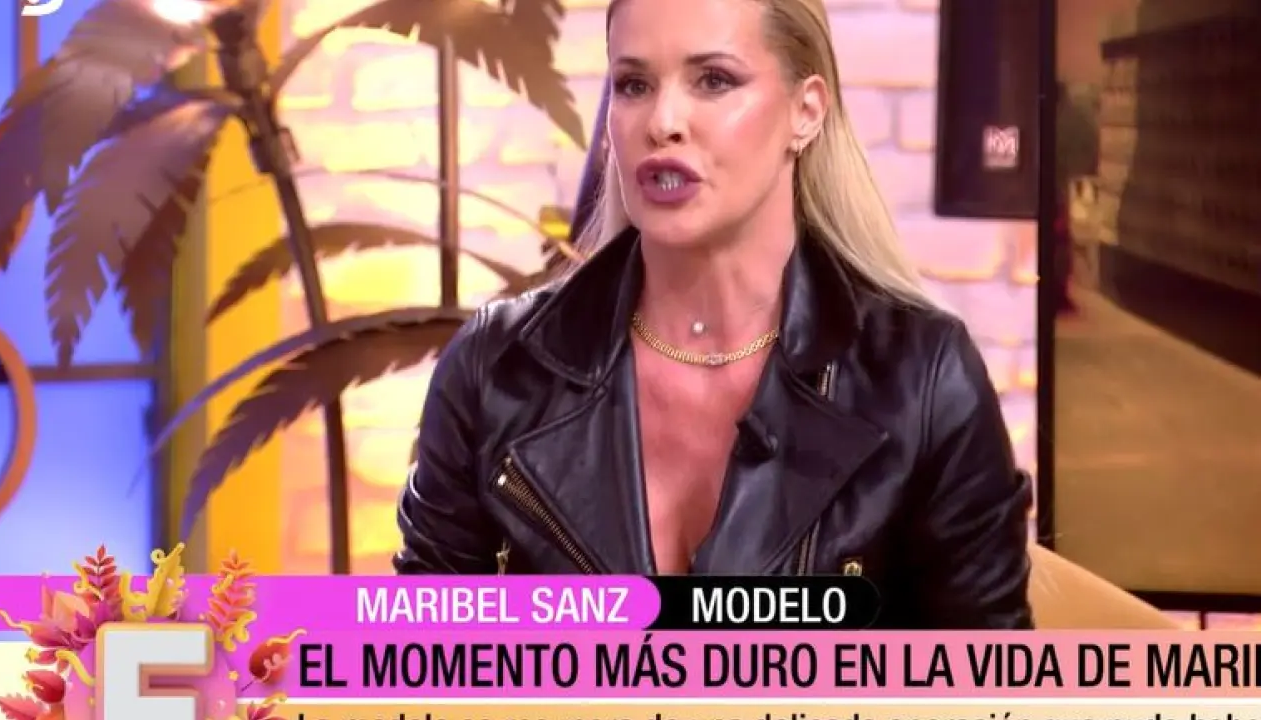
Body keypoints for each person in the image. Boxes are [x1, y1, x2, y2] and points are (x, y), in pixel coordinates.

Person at [394, 0, 1033, 629]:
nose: (663, 122)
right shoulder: (493, 368)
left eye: (714, 80)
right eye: (634, 85)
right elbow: (417, 654)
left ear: (806, 112)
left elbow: (988, 675)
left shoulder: (925, 381)